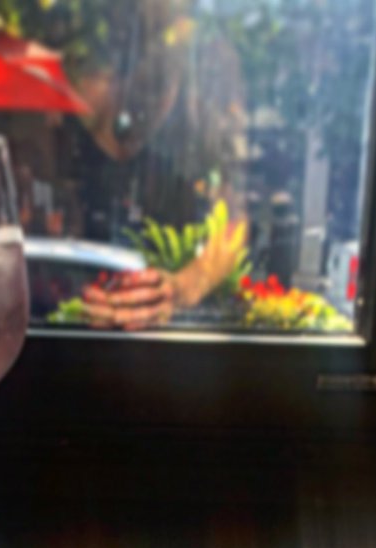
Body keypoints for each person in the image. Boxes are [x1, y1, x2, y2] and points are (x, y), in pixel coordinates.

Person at [64, 2, 248, 331]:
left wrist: (182, 286)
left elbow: (234, 218)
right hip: (69, 330)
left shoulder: (208, 75)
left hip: (170, 341)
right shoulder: (74, 57)